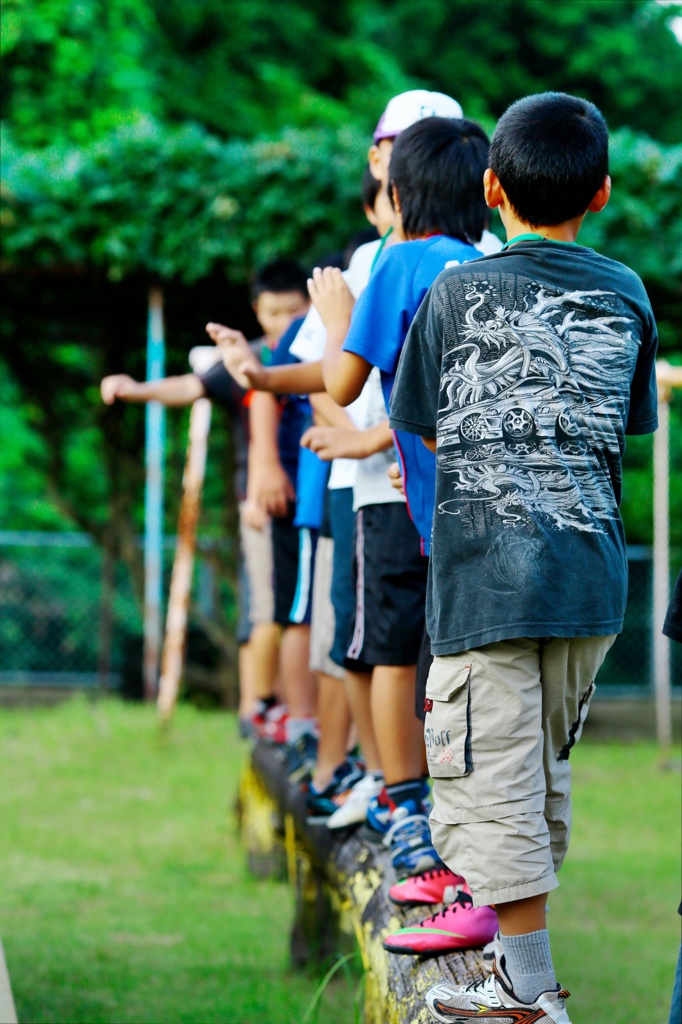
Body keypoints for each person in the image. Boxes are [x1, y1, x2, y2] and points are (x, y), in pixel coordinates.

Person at [389, 91, 659, 1022]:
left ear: (491, 187)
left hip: (486, 585)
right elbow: (627, 424)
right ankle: (522, 968)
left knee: (488, 778)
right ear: (605, 192)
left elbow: (418, 423)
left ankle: (527, 991)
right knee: (534, 773)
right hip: (590, 586)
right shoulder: (626, 291)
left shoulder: (455, 291)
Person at [306, 115, 491, 879]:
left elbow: (342, 385)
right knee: (452, 672)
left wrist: (336, 320)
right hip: (489, 513)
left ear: (400, 195)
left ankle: (404, 801)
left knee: (400, 661)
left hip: (423, 517)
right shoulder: (487, 268)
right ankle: (459, 818)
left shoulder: (401, 266)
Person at [101, 259, 309, 729]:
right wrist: (135, 389)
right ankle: (258, 707)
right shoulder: (245, 360)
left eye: (293, 313)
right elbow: (189, 386)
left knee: (303, 612)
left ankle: (293, 711)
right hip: (259, 500)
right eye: (274, 313)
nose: (283, 324)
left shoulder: (322, 357)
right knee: (267, 606)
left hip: (315, 499)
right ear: (257, 310)